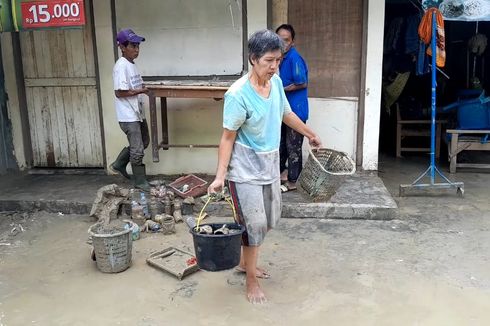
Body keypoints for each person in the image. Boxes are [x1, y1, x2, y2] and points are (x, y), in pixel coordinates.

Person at [207, 29, 321, 304]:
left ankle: (246, 262)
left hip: (269, 165)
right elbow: (227, 137)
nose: (274, 66)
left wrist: (309, 133)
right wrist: (220, 176)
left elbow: (286, 113)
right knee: (254, 224)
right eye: (269, 61)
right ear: (253, 59)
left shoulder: (277, 83)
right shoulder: (237, 95)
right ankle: (251, 280)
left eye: (278, 60)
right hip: (244, 169)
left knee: (270, 219)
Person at [110, 28, 151, 191]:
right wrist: (141, 91)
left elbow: (136, 85)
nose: (136, 50)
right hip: (128, 116)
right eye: (133, 46)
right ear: (122, 47)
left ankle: (119, 163)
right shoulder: (121, 66)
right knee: (137, 149)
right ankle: (140, 182)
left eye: (137, 46)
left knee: (144, 142)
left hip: (137, 113)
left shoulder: (131, 65)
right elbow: (119, 92)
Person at [275, 24, 309, 192]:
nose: (283, 42)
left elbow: (302, 82)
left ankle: (294, 181)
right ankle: (282, 174)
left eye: (286, 40)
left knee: (293, 146)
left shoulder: (294, 58)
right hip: (283, 110)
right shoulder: (279, 58)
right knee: (281, 144)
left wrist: (281, 88)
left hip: (296, 110)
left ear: (292, 42)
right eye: (279, 39)